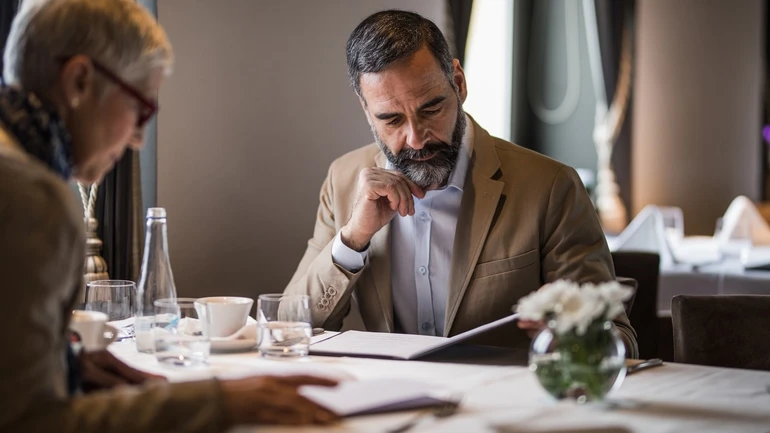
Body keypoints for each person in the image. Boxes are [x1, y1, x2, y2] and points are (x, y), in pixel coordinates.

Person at [0, 1, 337, 432]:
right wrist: (214, 403)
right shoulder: (32, 198)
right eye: (141, 110)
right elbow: (30, 423)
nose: (139, 139)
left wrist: (65, 366)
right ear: (80, 81)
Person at [284, 10, 638, 357]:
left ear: (459, 83)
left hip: (507, 405)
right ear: (366, 110)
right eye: (391, 120)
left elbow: (618, 338)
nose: (416, 139)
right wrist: (353, 239)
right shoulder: (344, 180)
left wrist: (568, 340)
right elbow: (289, 325)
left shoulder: (551, 187)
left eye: (431, 109)